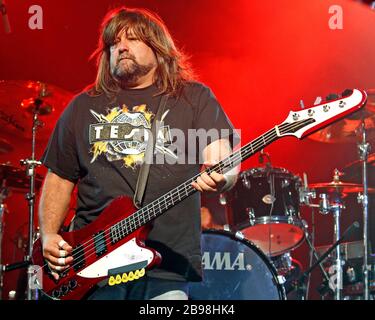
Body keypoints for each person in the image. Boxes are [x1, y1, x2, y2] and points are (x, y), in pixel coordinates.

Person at [38, 6, 239, 300]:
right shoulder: (83, 107)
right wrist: (49, 235)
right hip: (92, 265)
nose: (121, 47)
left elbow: (223, 157)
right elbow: (58, 178)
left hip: (165, 265)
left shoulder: (192, 98)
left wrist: (223, 176)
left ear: (158, 47)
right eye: (113, 43)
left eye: (132, 39)